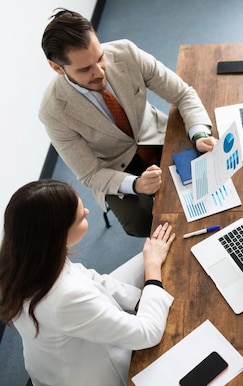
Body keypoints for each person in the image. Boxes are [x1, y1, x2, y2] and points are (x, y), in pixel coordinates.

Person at [0, 179, 176, 386]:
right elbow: (147, 333)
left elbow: (93, 278)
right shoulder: (64, 298)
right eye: (80, 217)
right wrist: (152, 271)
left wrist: (139, 298)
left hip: (55, 364)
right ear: (58, 235)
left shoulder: (28, 259)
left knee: (149, 260)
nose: (88, 212)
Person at [39, 9, 218, 237]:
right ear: (56, 67)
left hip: (152, 134)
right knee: (142, 223)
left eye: (100, 57)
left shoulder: (126, 52)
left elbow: (183, 94)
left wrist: (199, 134)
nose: (100, 72)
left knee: (206, 176)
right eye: (85, 69)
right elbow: (90, 174)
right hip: (113, 166)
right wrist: (136, 185)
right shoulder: (53, 111)